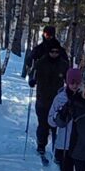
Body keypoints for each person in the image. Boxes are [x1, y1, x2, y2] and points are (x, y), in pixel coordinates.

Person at [24, 24, 68, 162]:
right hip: (42, 94)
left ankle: (56, 148)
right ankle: (41, 145)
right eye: (46, 34)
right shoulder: (40, 52)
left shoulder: (61, 53)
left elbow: (67, 70)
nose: (48, 36)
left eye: (50, 34)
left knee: (56, 123)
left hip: (57, 96)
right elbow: (31, 63)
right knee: (43, 123)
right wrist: (32, 79)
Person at [49, 65, 82, 171]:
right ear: (67, 82)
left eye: (77, 82)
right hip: (64, 145)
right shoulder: (60, 98)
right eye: (72, 82)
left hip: (81, 145)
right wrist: (60, 116)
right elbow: (50, 120)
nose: (74, 85)